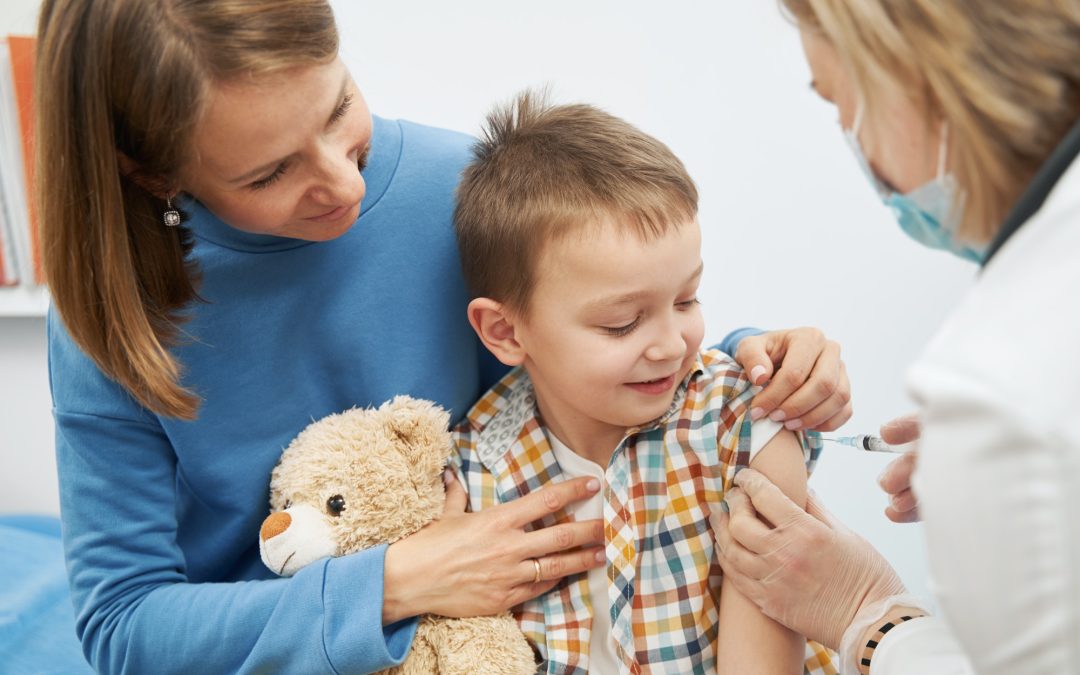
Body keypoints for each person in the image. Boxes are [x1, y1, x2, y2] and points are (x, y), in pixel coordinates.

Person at [33, 1, 856, 672]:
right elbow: (124, 624)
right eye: (270, 172)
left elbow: (609, 324)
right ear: (152, 173)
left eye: (340, 108)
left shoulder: (455, 188)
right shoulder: (110, 315)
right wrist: (394, 583)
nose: (342, 182)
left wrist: (760, 356)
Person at [711, 1, 1080, 674]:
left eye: (840, 103)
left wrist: (867, 612)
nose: (855, 141)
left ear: (914, 81)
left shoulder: (996, 386)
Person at [449, 92, 837, 673]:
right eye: (622, 323)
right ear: (505, 331)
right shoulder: (475, 466)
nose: (672, 344)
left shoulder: (744, 424)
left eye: (687, 299)